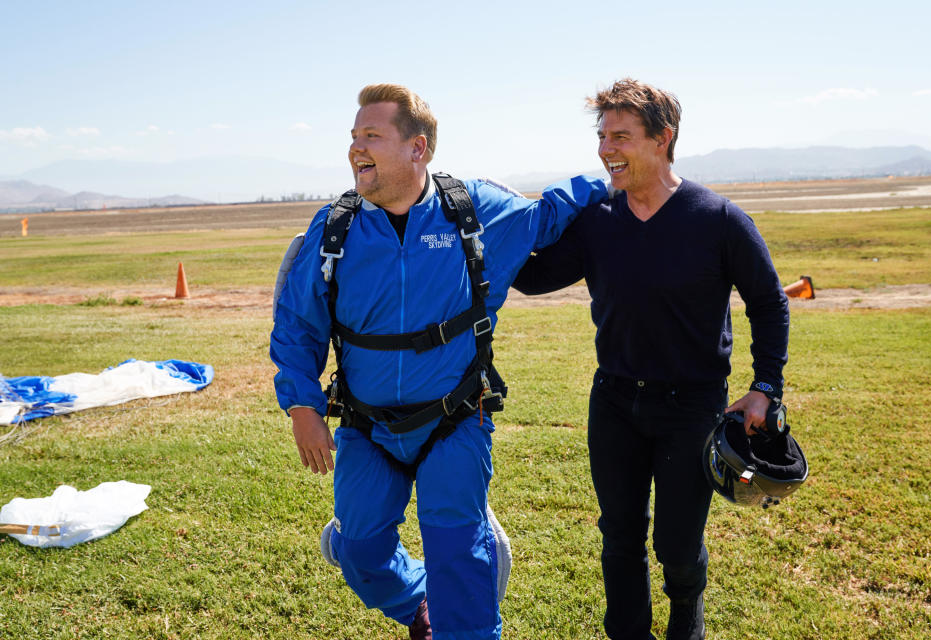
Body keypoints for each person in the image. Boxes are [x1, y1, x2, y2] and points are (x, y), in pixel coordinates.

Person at [270, 83, 607, 640]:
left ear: (417, 148)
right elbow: (296, 325)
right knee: (359, 552)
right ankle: (420, 604)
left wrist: (613, 176)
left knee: (459, 552)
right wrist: (303, 406)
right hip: (367, 425)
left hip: (455, 419)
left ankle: (462, 610)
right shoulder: (334, 229)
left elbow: (550, 214)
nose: (356, 148)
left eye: (371, 136)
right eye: (353, 137)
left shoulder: (473, 212)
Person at [512, 79, 790, 640]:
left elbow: (768, 301)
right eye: (601, 136)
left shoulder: (717, 218)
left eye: (621, 136)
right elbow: (536, 277)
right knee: (619, 531)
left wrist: (765, 385)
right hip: (614, 398)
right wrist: (488, 233)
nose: (605, 149)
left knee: (678, 540)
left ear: (662, 139)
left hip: (692, 404)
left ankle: (686, 611)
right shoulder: (599, 220)